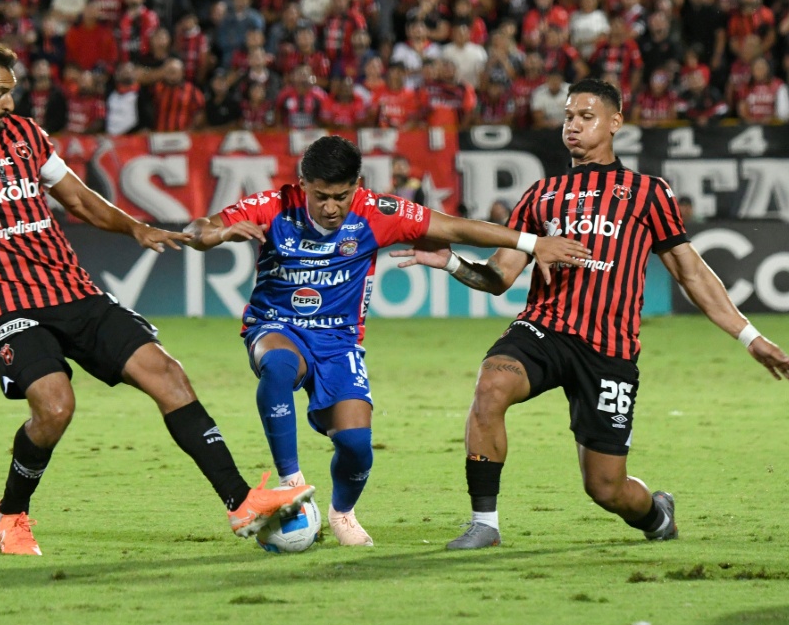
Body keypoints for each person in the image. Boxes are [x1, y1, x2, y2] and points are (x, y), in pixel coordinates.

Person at [0, 43, 314, 556]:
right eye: (0, 93)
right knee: (55, 407)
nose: (9, 103)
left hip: (73, 289)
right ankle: (11, 514)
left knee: (167, 374)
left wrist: (136, 227)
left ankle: (242, 503)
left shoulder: (24, 136)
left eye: (12, 92)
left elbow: (80, 199)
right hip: (8, 304)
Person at [391, 78, 789, 550]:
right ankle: (485, 524)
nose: (573, 126)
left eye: (586, 117)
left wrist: (751, 337)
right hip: (544, 329)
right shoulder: (541, 194)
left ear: (615, 123)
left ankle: (656, 515)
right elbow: (499, 278)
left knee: (605, 487)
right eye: (568, 116)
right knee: (492, 383)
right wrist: (450, 261)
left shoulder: (647, 192)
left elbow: (692, 273)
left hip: (609, 350)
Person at [183, 135, 591, 547]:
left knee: (358, 445)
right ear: (302, 184)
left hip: (339, 342)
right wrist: (213, 236)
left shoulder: (378, 212)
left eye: (341, 196)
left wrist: (531, 242)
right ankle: (293, 485)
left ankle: (342, 513)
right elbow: (199, 228)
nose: (330, 208)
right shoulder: (272, 206)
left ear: (357, 185)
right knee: (278, 366)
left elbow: (456, 226)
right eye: (321, 196)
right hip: (275, 325)